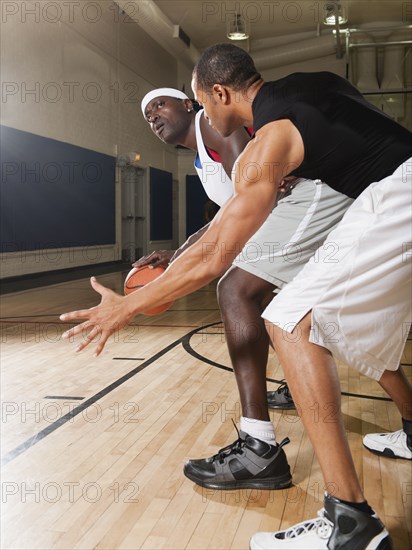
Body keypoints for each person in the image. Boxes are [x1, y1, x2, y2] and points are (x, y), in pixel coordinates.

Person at [59, 44, 412, 548]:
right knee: (344, 323)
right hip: (389, 191)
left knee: (290, 320)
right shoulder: (313, 83)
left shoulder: (264, 139)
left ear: (219, 93)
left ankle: (348, 520)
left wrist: (129, 306)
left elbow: (218, 253)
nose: (204, 112)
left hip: (397, 195)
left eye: (202, 102)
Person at [137, 87, 353, 490]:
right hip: (309, 203)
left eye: (159, 105)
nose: (153, 117)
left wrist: (180, 267)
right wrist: (177, 253)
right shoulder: (202, 150)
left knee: (236, 290)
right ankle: (296, 392)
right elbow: (231, 209)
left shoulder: (211, 126)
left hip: (314, 198)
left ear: (190, 102)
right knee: (273, 304)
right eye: (147, 115)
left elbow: (254, 198)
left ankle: (259, 447)